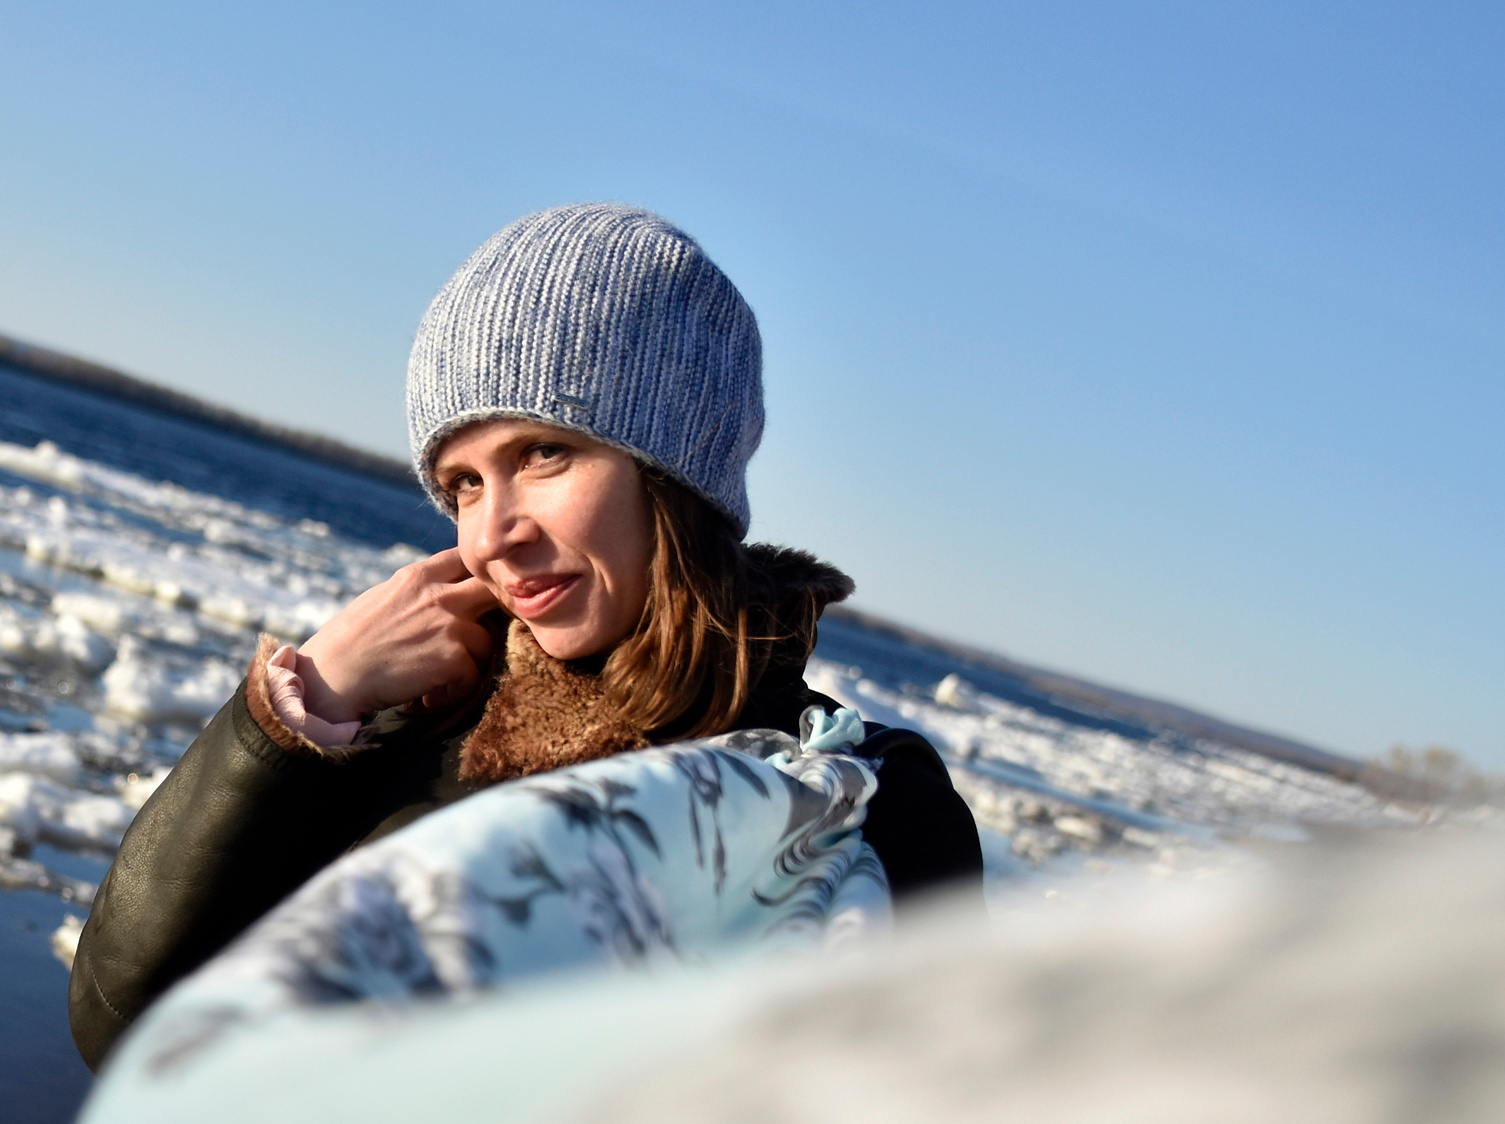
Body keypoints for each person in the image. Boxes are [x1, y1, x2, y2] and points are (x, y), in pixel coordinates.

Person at [69, 204, 980, 1070]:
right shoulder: (424, 720)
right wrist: (303, 707)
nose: (491, 532)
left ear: (676, 472)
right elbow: (126, 1027)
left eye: (543, 454)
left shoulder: (862, 799)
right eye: (462, 482)